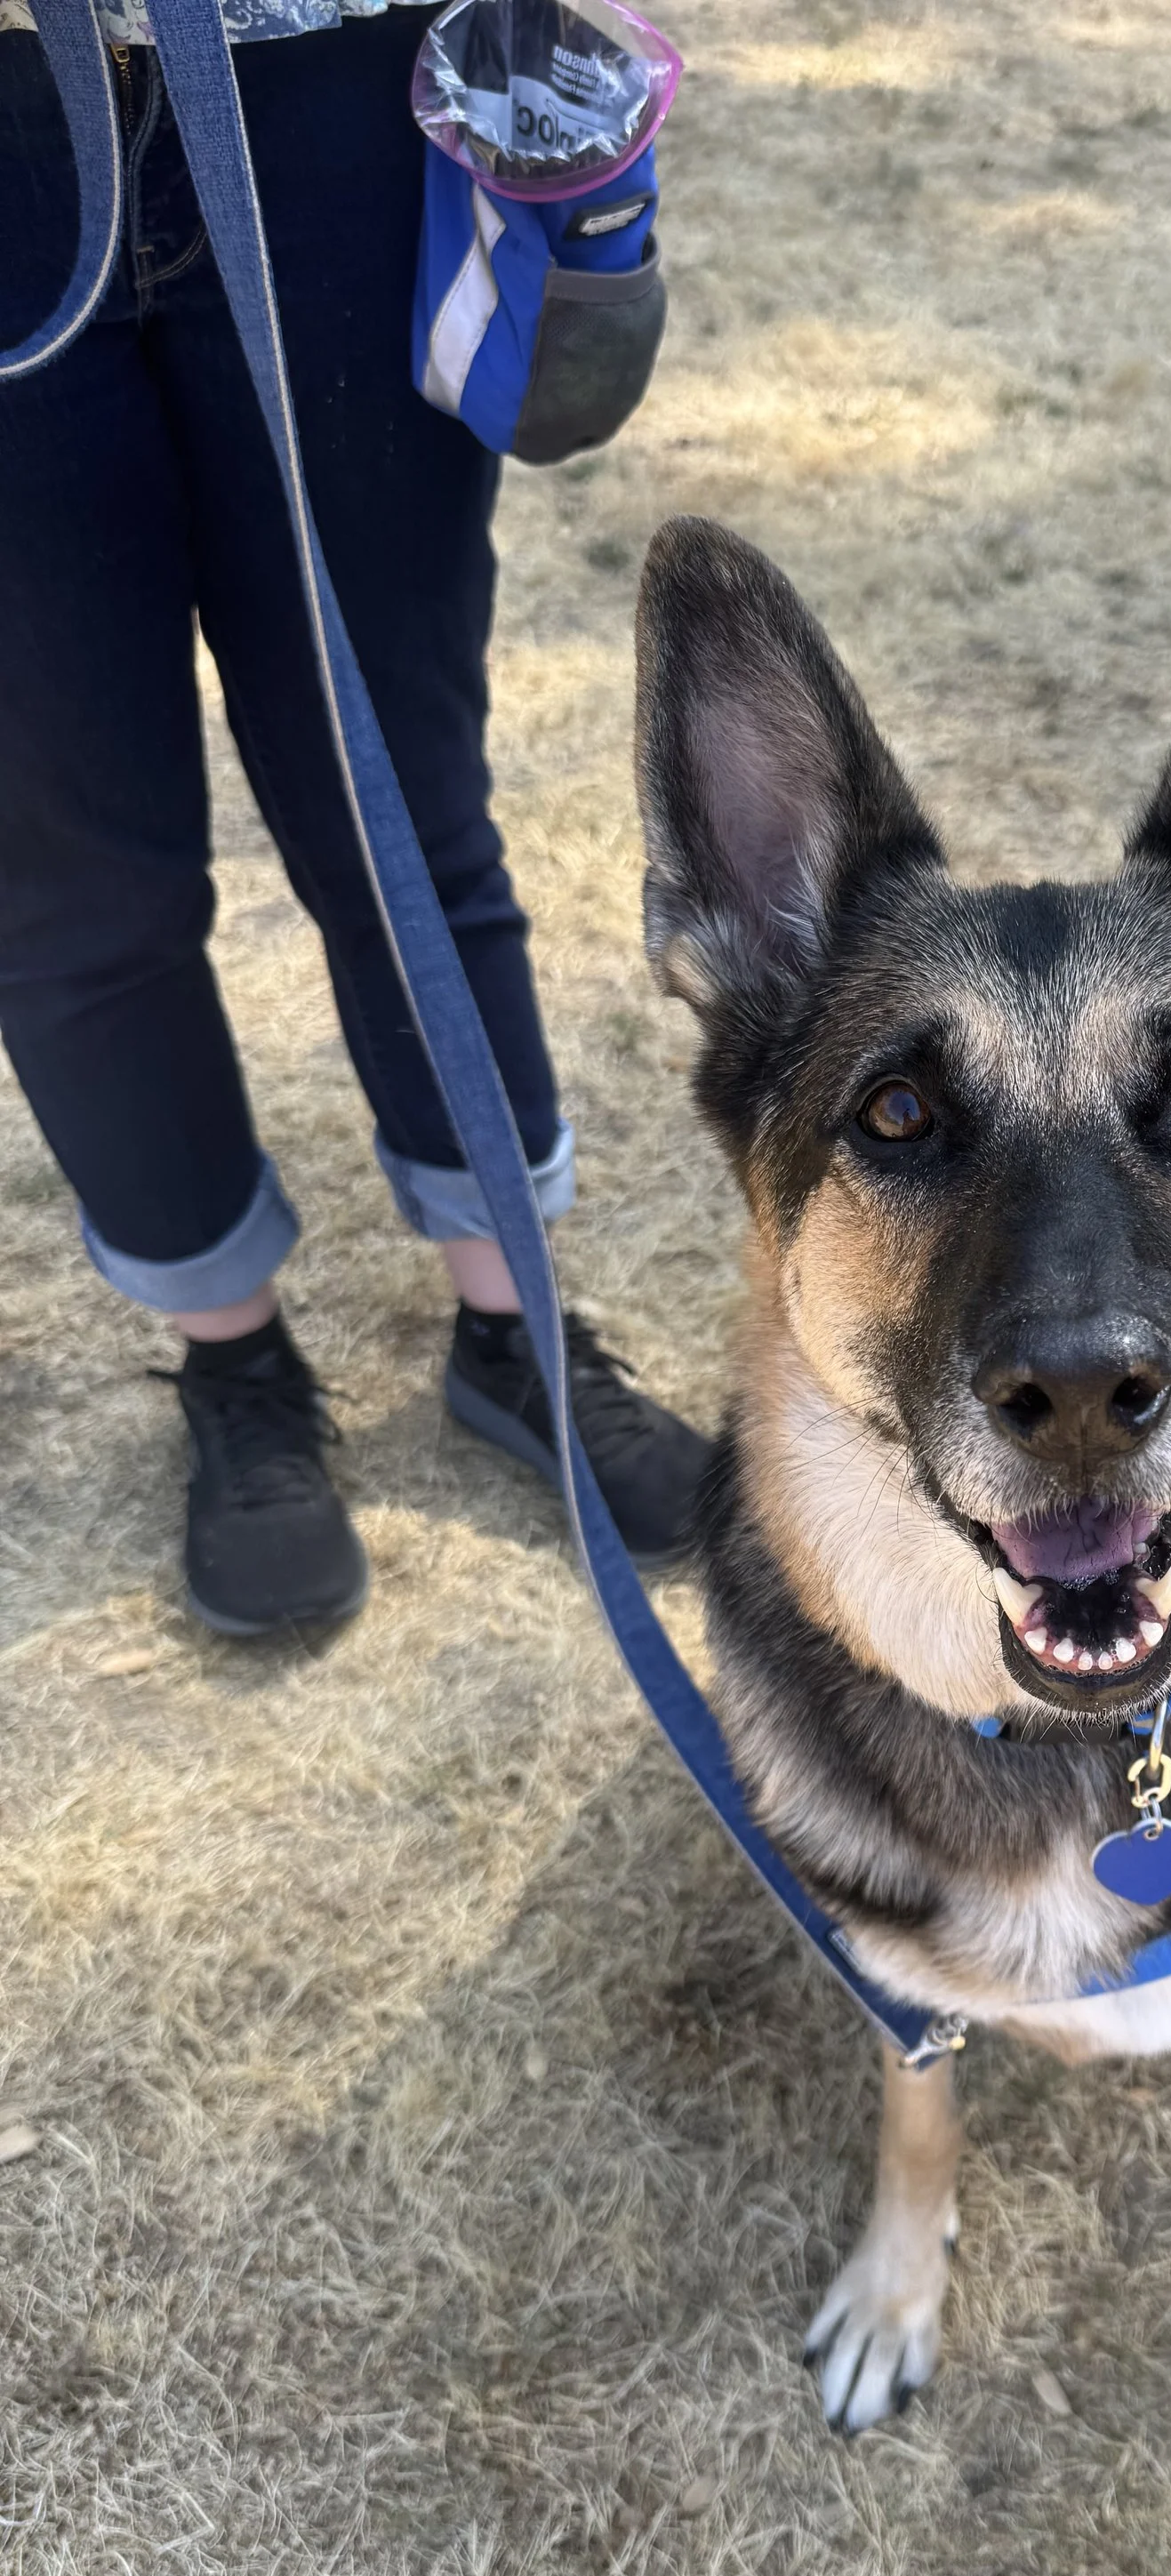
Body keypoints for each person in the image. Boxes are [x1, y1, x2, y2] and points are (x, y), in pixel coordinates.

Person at [0, 0, 710, 1635]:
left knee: (396, 792)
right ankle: (232, 1365)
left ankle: (515, 1325)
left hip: (321, 89)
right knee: (70, 864)